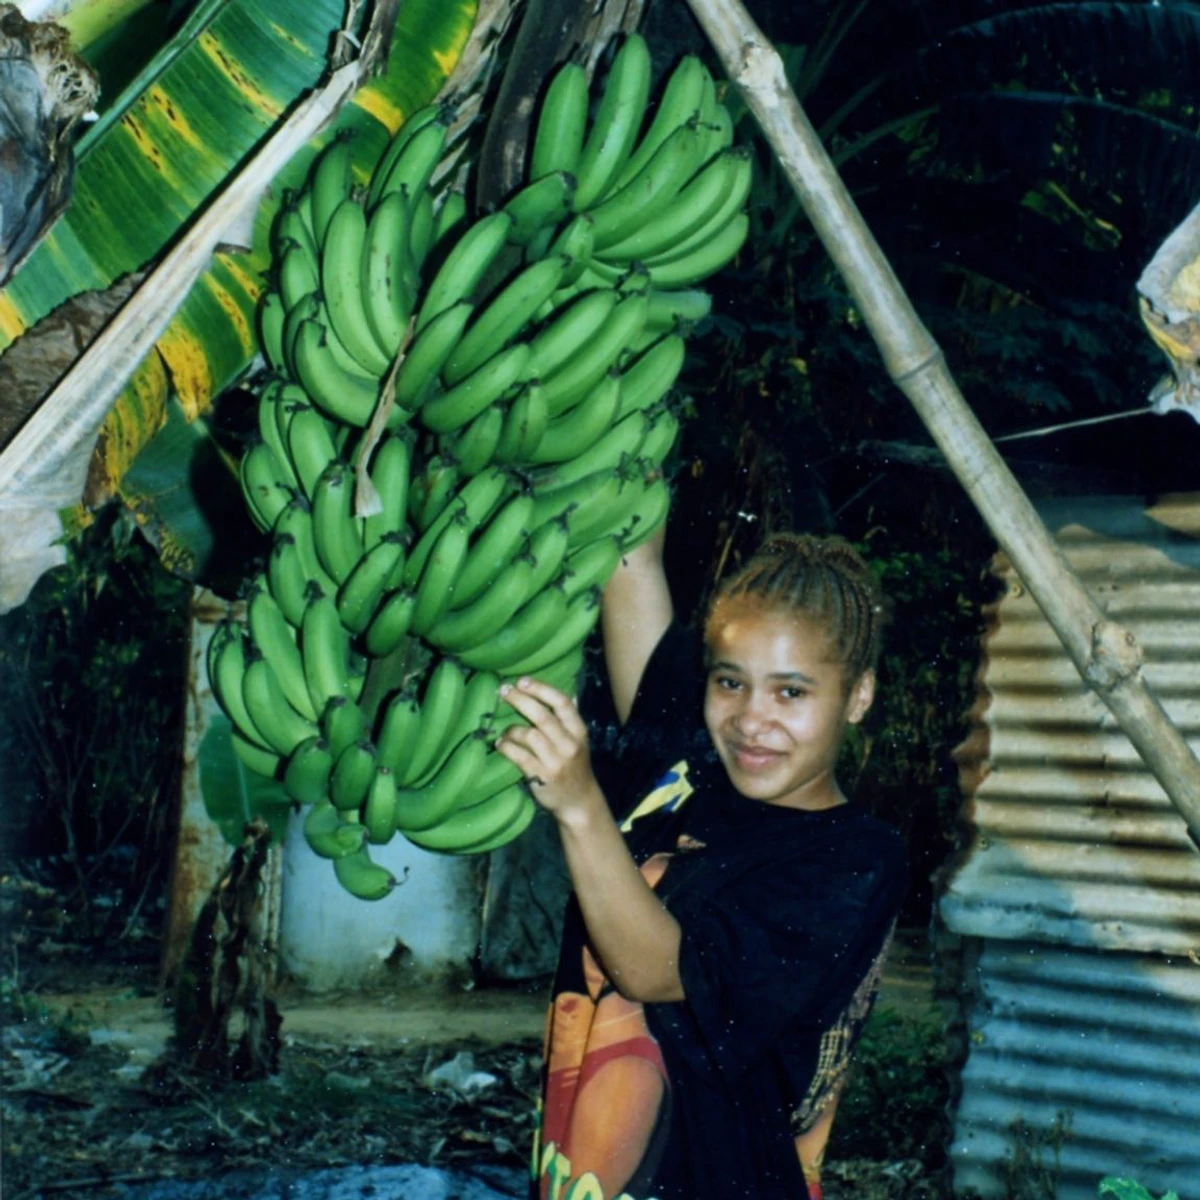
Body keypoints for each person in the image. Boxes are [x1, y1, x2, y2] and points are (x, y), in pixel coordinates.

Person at [495, 523, 909, 1200]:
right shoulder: (689, 771)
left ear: (857, 696)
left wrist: (579, 805)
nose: (752, 719)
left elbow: (655, 972)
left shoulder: (852, 863)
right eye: (730, 682)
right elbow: (629, 557)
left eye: (791, 693)